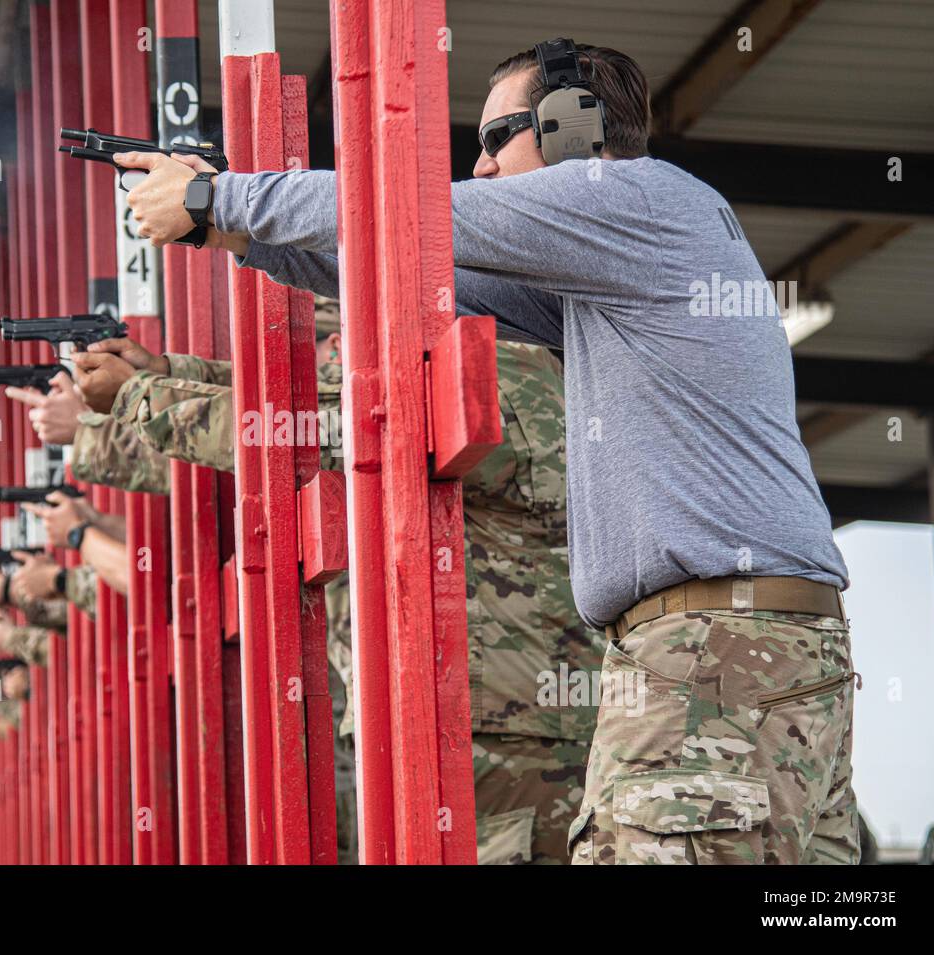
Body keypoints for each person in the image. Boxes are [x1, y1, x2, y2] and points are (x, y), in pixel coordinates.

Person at [119, 39, 857, 865]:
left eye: (495, 136)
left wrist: (218, 193)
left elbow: (407, 214)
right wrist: (225, 228)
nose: (479, 167)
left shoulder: (624, 196)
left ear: (573, 126)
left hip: (714, 655)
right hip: (731, 652)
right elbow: (400, 265)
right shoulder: (618, 250)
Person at [73, 304, 604, 865]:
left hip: (512, 732)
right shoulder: (509, 361)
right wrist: (165, 371)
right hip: (487, 719)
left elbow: (337, 431)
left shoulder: (504, 371)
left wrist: (142, 396)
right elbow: (321, 410)